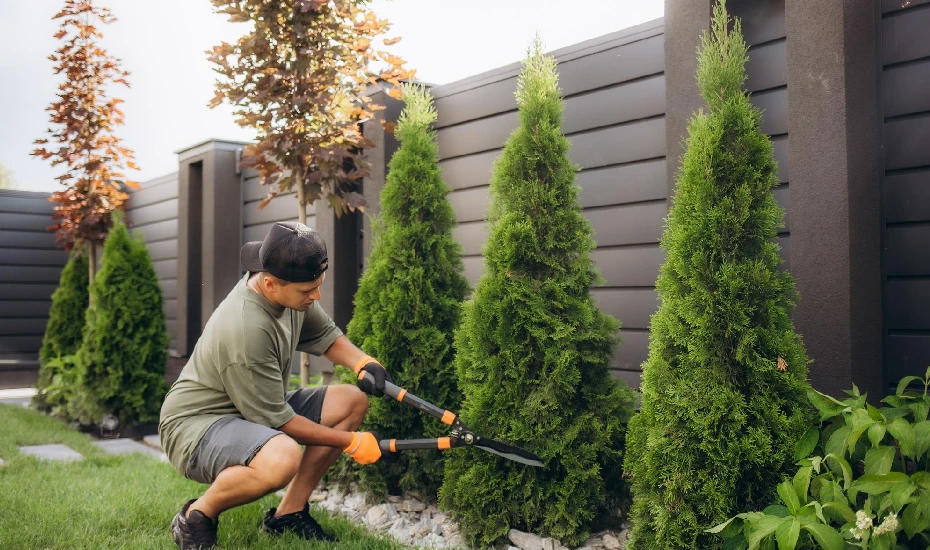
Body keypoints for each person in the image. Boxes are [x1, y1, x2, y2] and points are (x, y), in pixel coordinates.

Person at [158, 221, 392, 550]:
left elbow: (325, 336)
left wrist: (362, 362)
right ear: (269, 284)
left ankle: (289, 515)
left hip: (249, 410)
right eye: (308, 291)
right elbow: (280, 422)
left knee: (351, 402)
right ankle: (197, 516)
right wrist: (351, 442)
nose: (316, 296)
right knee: (282, 456)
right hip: (196, 427)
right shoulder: (244, 328)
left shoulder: (290, 289)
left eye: (318, 285)